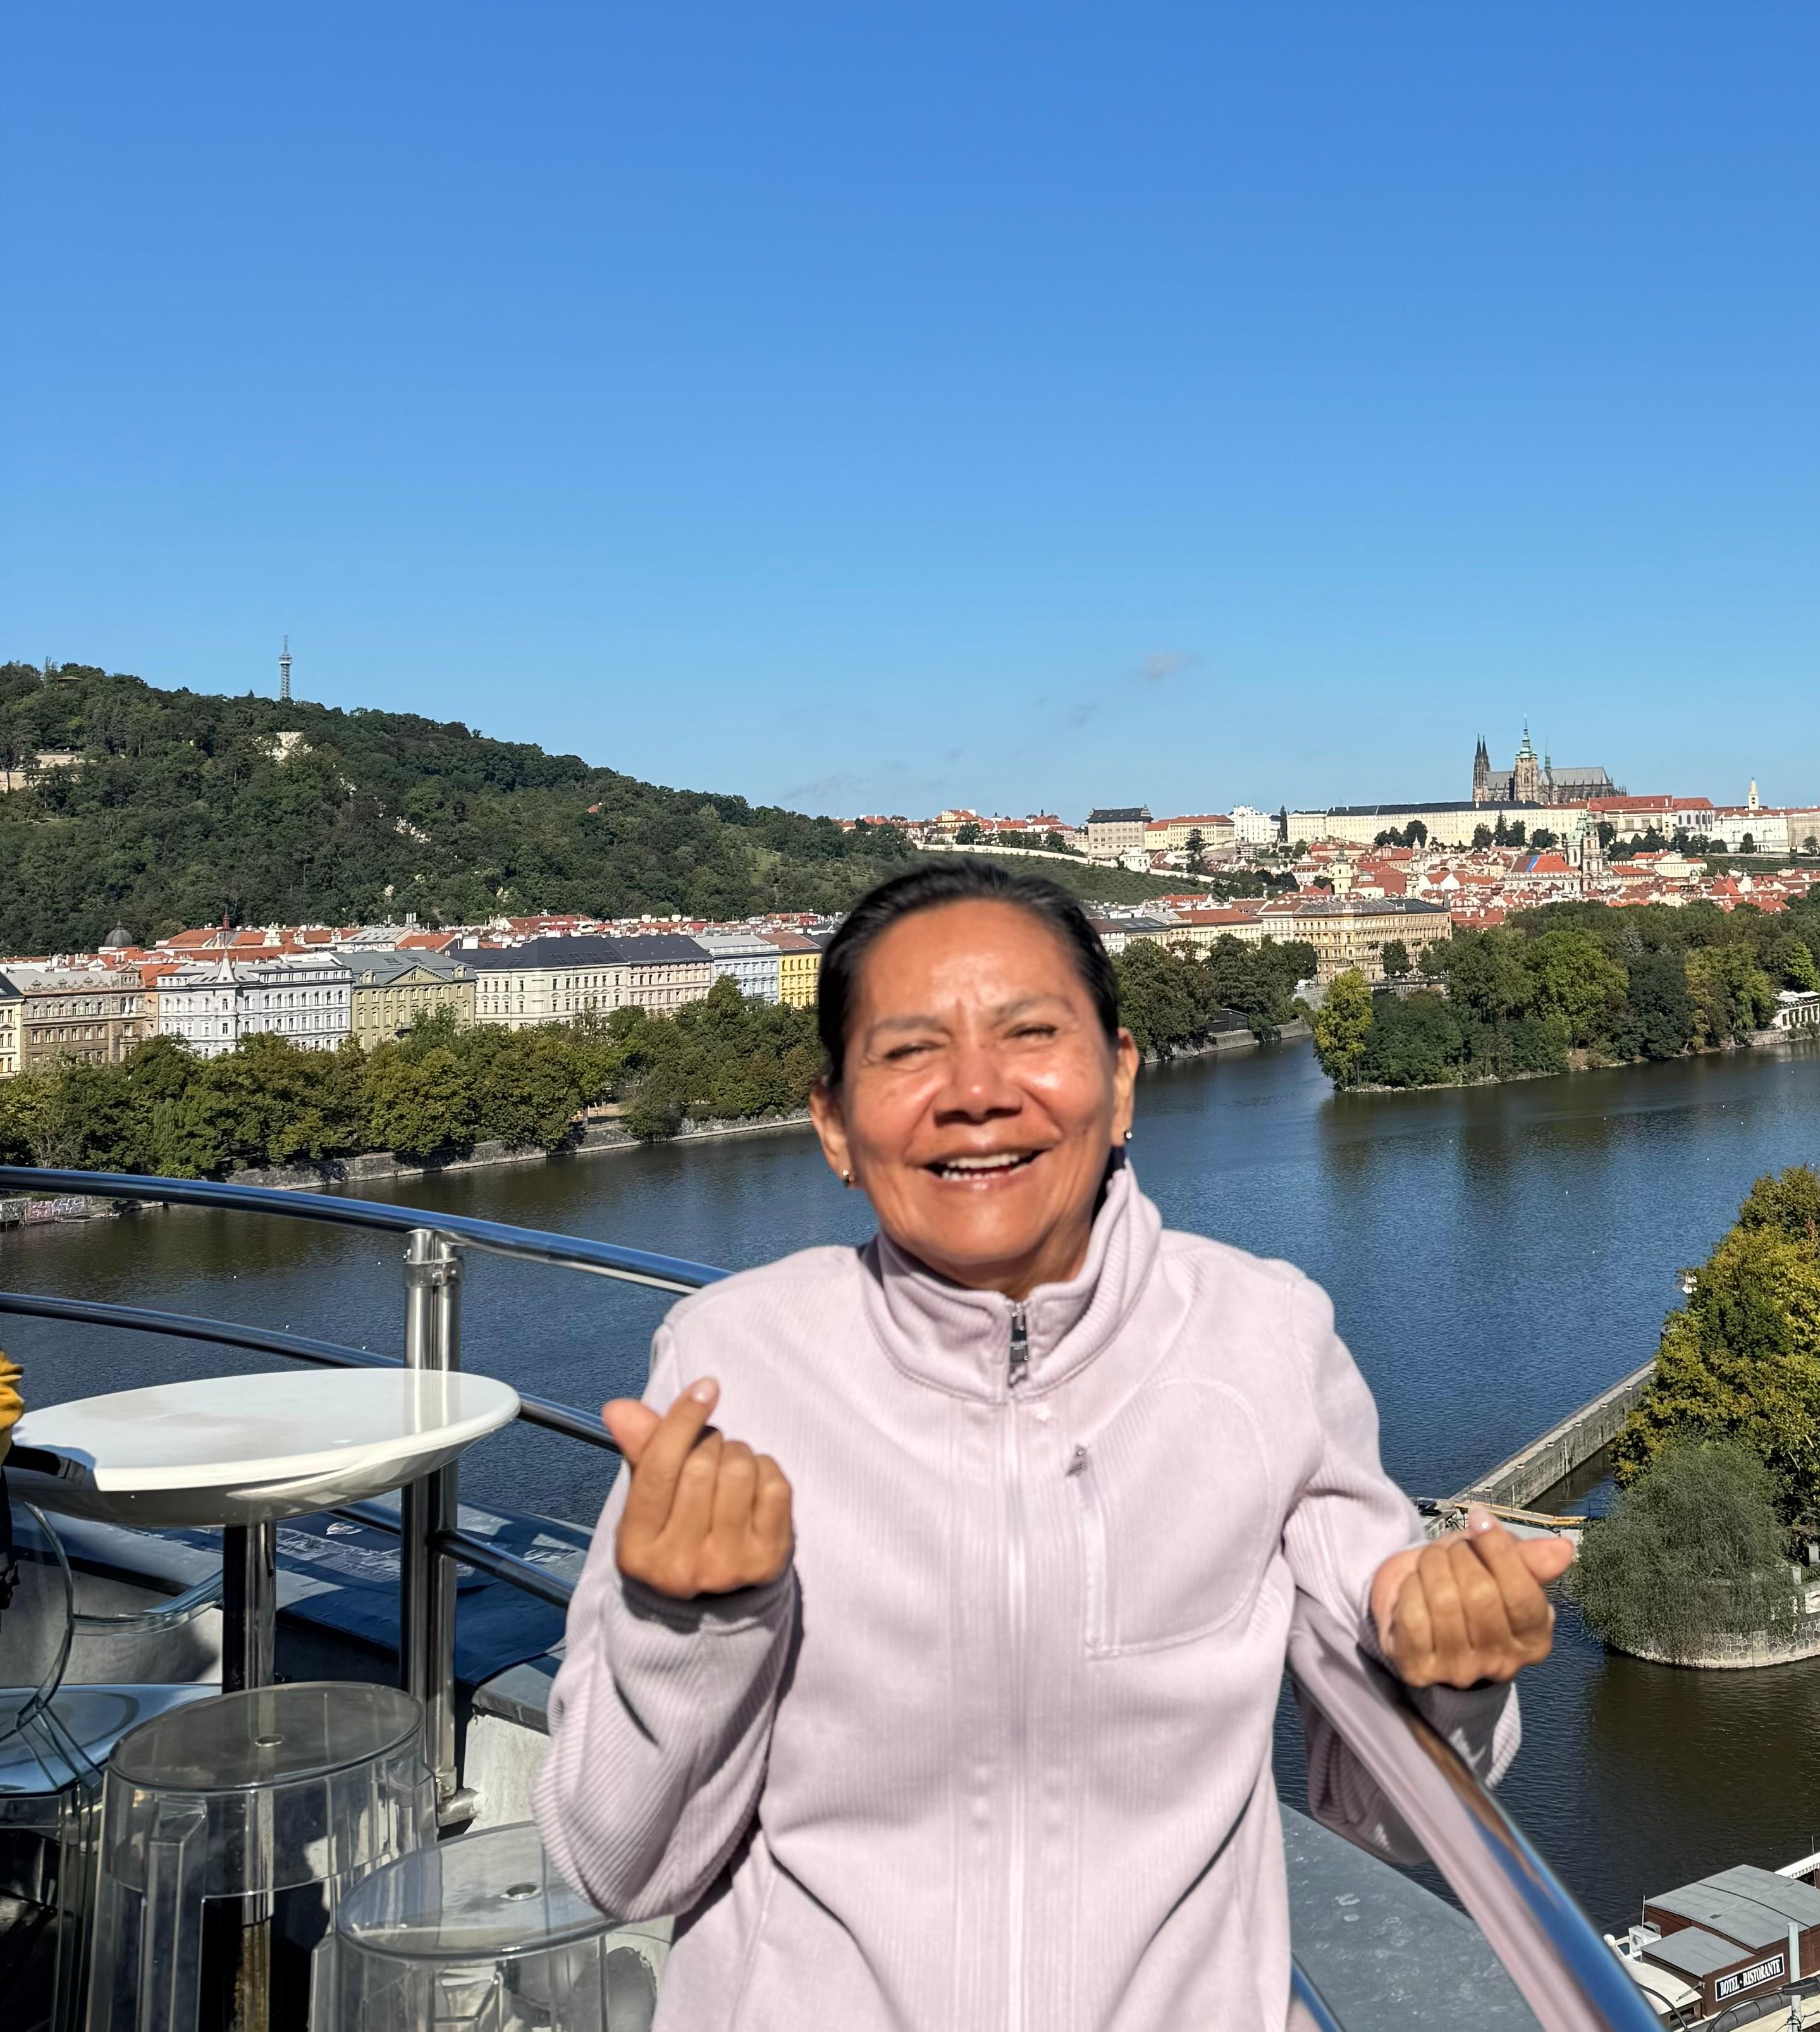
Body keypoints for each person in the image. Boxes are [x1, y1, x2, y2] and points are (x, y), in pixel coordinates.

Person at [538, 861, 1573, 2032]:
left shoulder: (1267, 1337)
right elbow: (616, 1868)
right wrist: (690, 1629)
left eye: (1030, 1033)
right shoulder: (731, 1365)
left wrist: (1455, 1670)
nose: (977, 1093)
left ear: (1121, 1080)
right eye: (910, 1050)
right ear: (833, 1124)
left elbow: (1383, 1815)